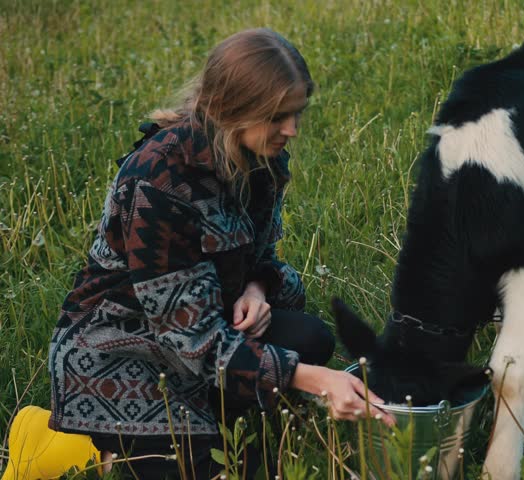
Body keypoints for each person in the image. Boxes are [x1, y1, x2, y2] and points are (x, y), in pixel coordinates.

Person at [47, 28, 392, 479]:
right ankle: (87, 448)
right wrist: (314, 380)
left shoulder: (263, 159)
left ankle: (203, 422)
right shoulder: (158, 181)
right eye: (278, 117)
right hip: (125, 348)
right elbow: (191, 341)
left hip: (205, 328)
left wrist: (255, 285)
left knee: (310, 339)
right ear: (234, 108)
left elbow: (262, 254)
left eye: (296, 114)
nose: (291, 130)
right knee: (241, 471)